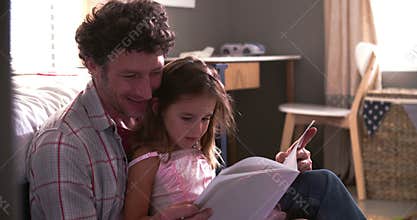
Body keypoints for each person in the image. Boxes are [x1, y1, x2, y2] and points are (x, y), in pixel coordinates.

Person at [24, 0, 363, 219]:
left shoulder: (152, 109)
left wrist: (272, 176)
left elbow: (204, 180)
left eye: (154, 73)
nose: (145, 92)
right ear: (92, 65)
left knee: (319, 186)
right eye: (130, 76)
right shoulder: (63, 147)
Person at [123, 56, 366, 220]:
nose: (198, 130)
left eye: (206, 119)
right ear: (158, 109)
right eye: (187, 118)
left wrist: (280, 169)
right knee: (320, 187)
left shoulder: (198, 151)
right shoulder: (149, 158)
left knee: (322, 182)